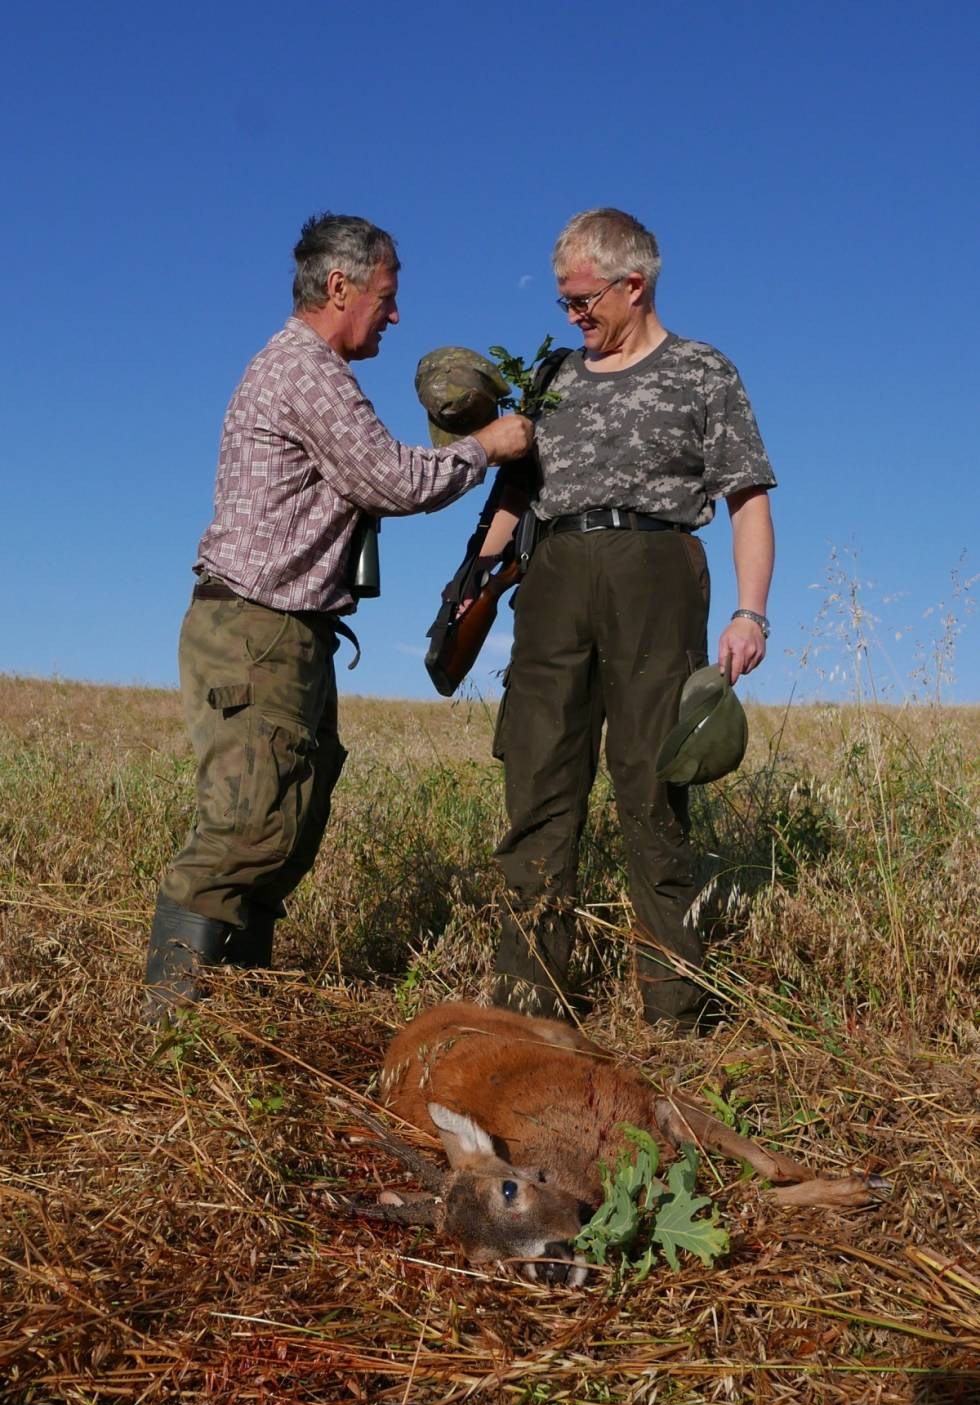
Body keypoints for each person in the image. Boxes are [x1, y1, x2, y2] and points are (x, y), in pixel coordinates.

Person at [143, 212, 533, 1023]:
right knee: (247, 825)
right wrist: (490, 447)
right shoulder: (306, 370)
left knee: (286, 821)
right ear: (339, 287)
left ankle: (232, 1017)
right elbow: (391, 479)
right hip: (259, 629)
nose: (395, 315)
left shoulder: (308, 370)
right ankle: (167, 1031)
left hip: (286, 633)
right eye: (387, 297)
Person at [472, 207, 776, 1031]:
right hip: (554, 577)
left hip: (656, 573)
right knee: (537, 780)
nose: (570, 316)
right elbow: (513, 496)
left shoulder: (703, 372)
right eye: (565, 301)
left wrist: (752, 612)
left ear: (632, 284)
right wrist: (475, 582)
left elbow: (747, 501)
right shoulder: (553, 377)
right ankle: (529, 1006)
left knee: (652, 788)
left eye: (581, 300)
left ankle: (673, 1012)